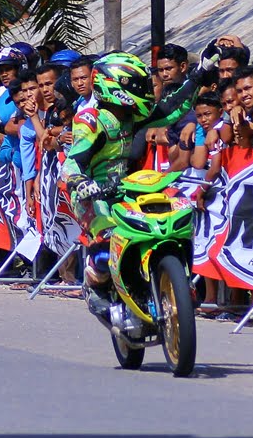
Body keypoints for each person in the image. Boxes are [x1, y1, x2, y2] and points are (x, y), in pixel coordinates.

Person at [62, 51, 210, 316]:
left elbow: (172, 108)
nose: (145, 90)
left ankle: (175, 278)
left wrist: (200, 73)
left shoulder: (132, 117)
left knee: (166, 220)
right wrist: (81, 182)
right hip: (92, 193)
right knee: (108, 237)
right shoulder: (90, 120)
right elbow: (73, 162)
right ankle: (95, 283)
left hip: (126, 188)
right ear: (113, 85)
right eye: (137, 85)